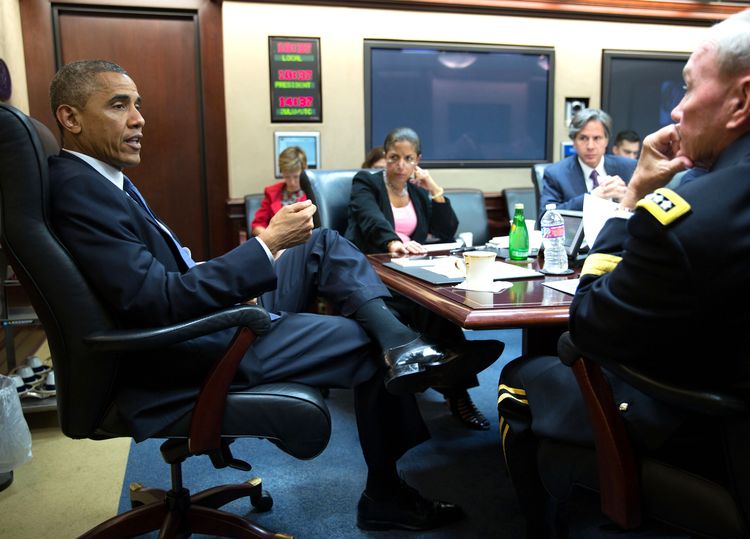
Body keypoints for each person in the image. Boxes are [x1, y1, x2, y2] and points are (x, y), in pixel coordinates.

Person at [47, 59, 490, 531]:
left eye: (138, 105)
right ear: (70, 118)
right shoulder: (81, 190)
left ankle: (402, 342)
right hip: (194, 343)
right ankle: (387, 480)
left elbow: (160, 281)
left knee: (318, 241)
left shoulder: (100, 182)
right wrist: (266, 245)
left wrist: (257, 259)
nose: (139, 119)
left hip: (206, 315)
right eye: (119, 106)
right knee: (366, 341)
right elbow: (156, 300)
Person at [499, 3, 750, 537]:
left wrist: (633, 197)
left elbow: (588, 322)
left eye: (687, 88)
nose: (676, 111)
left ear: (742, 99)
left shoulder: (691, 219)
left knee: (519, 379)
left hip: (712, 437)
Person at [346, 127, 503, 430]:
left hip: (411, 269)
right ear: (385, 156)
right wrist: (393, 241)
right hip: (373, 268)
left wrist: (435, 189)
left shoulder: (417, 193)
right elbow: (369, 218)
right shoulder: (366, 182)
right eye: (394, 158)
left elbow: (446, 231)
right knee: (428, 306)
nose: (400, 165)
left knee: (437, 302)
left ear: (418, 160)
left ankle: (444, 371)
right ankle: (453, 379)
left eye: (408, 159)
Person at [540, 108, 636, 214]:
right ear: (574, 141)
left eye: (597, 138)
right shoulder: (556, 174)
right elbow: (545, 217)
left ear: (606, 140)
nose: (590, 146)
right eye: (583, 138)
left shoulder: (629, 167)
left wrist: (626, 202)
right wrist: (592, 198)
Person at [250, 146, 308, 235]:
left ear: (304, 170)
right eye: (287, 177)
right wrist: (270, 239)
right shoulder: (272, 192)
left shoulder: (314, 193)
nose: (292, 182)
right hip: (276, 244)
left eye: (296, 176)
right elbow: (258, 224)